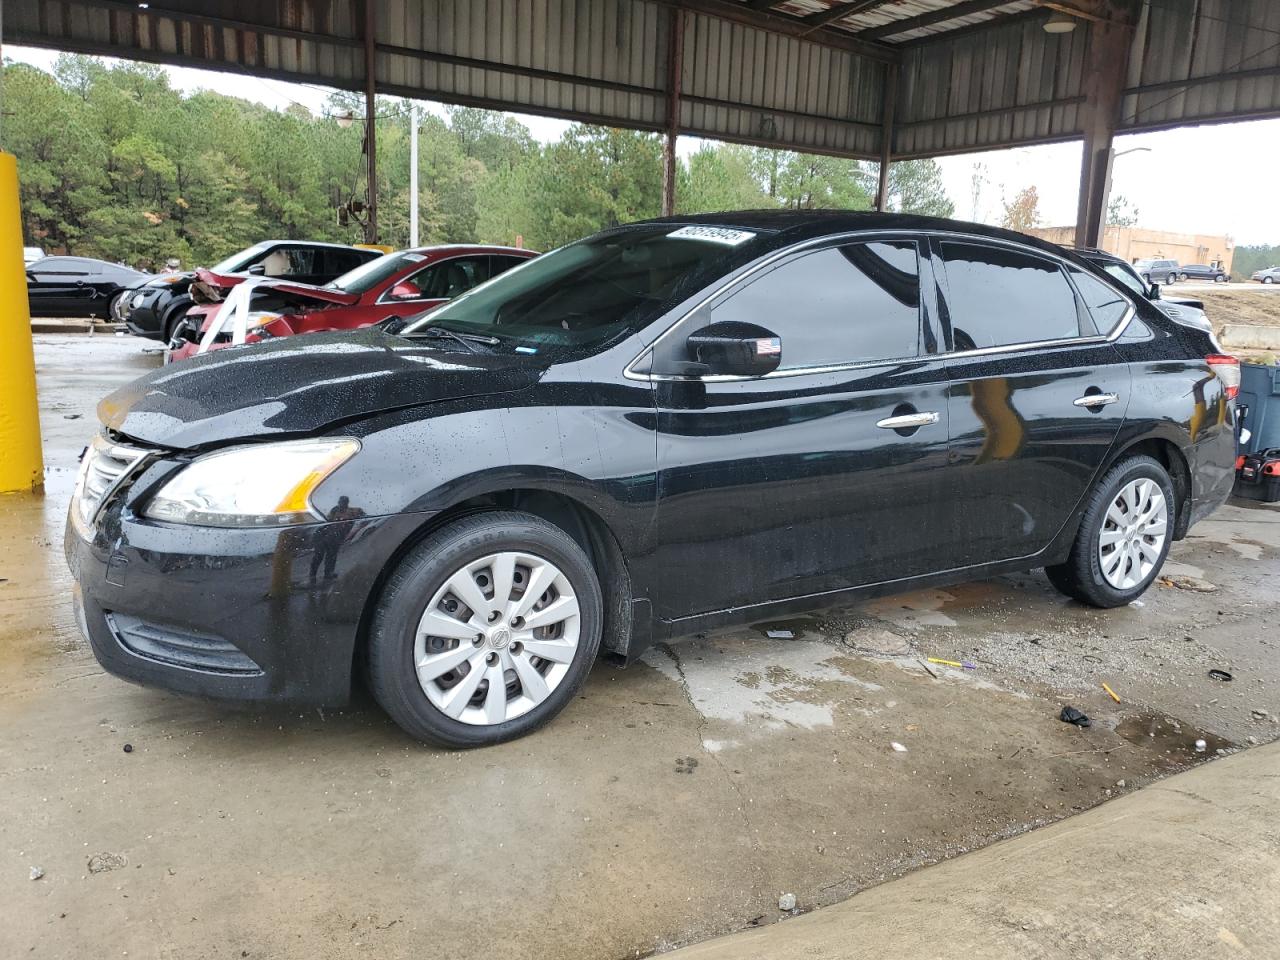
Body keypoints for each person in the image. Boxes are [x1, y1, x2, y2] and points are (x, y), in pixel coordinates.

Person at [309, 496, 365, 584]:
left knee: (332, 556)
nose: (341, 504)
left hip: (336, 537)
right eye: (340, 502)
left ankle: (328, 574)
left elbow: (363, 515)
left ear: (347, 503)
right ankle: (312, 576)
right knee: (318, 556)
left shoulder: (353, 511)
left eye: (344, 502)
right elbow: (326, 521)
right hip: (325, 535)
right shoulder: (334, 510)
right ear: (339, 502)